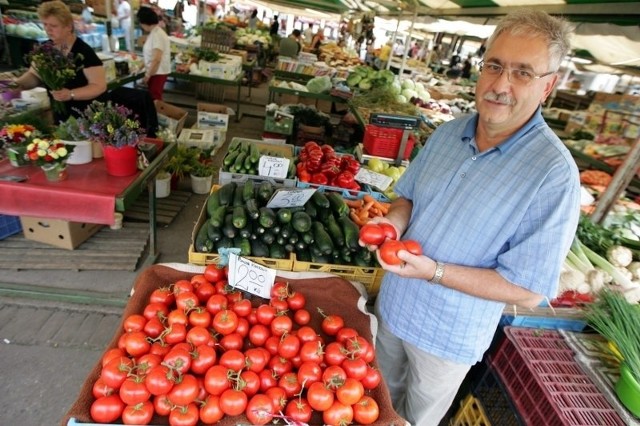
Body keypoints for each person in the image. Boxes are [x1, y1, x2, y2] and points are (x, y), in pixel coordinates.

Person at [364, 10, 580, 426]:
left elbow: (528, 290)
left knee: (414, 419)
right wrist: (391, 226)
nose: (501, 85)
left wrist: (434, 271)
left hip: (447, 340)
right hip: (393, 308)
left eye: (522, 73)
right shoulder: (450, 132)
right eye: (494, 66)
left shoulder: (553, 175)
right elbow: (406, 197)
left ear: (548, 86)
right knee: (372, 406)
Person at [14, 0, 107, 124]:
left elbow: (99, 86)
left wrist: (71, 94)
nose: (48, 30)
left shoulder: (84, 52)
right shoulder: (45, 49)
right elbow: (34, 75)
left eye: (53, 26)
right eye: (45, 24)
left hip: (88, 116)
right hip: (61, 115)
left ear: (68, 26)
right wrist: (17, 85)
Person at [137, 6, 171, 101]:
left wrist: (147, 75)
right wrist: (139, 67)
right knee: (153, 97)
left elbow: (156, 58)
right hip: (155, 72)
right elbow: (151, 56)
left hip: (158, 72)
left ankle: (158, 115)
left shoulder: (157, 35)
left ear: (144, 22)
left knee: (155, 98)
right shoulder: (154, 33)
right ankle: (156, 114)